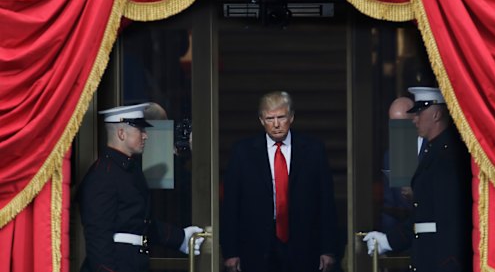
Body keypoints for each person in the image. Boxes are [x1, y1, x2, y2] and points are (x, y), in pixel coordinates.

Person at [78, 103, 205, 272]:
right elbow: (98, 238)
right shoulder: (102, 175)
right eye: (140, 130)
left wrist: (180, 238)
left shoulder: (131, 170)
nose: (145, 136)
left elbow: (141, 223)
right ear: (121, 133)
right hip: (119, 264)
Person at [221, 91, 338, 272]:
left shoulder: (313, 150)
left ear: (291, 117)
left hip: (304, 244)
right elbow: (231, 204)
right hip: (256, 246)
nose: (276, 124)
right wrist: (230, 252)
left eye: (281, 117)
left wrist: (328, 249)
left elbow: (326, 202)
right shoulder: (242, 152)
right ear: (261, 120)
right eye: (269, 118)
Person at [364, 87, 472, 272]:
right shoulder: (434, 152)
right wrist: (389, 241)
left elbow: (450, 217)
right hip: (427, 257)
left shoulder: (449, 155)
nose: (414, 119)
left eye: (420, 113)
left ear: (437, 114)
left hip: (442, 261)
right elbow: (422, 215)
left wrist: (451, 263)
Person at [381, 97, 415, 232]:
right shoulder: (390, 156)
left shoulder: (430, 149)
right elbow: (389, 203)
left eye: (402, 124)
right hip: (401, 236)